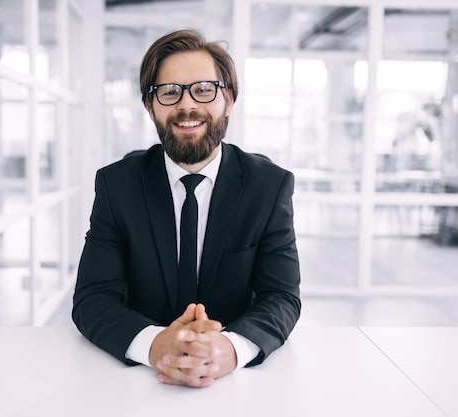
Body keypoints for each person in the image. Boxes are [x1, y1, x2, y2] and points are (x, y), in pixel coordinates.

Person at [72, 28, 301, 388]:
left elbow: (281, 296)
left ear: (229, 99)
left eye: (204, 89)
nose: (187, 105)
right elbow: (93, 298)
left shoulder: (269, 186)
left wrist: (229, 348)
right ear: (150, 107)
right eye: (169, 92)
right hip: (138, 385)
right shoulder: (117, 185)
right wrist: (156, 345)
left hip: (237, 389)